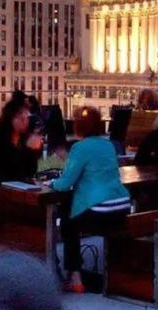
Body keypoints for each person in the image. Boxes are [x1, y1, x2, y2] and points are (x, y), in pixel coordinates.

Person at [51, 107, 131, 293]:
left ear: (78, 126)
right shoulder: (108, 145)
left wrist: (52, 182)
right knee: (71, 209)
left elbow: (65, 184)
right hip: (121, 207)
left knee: (67, 216)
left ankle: (75, 276)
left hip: (101, 212)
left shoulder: (80, 148)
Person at [0, 96, 43, 184]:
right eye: (23, 118)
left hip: (19, 186)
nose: (27, 121)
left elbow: (30, 171)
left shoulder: (23, 137)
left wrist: (34, 151)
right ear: (14, 118)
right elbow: (6, 171)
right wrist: (27, 150)